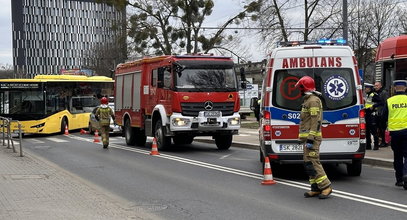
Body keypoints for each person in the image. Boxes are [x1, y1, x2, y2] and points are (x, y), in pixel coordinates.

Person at [295, 76, 332, 199]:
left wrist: (310, 138)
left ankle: (326, 187)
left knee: (314, 162)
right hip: (308, 139)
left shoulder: (313, 101)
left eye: (300, 88)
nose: (298, 90)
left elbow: (316, 121)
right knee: (308, 163)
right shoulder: (307, 100)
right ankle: (315, 188)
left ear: (303, 88)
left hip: (313, 139)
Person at [382, 80, 407, 189]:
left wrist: (383, 130)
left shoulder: (389, 101)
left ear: (395, 88)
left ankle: (399, 179)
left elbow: (383, 117)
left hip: (395, 133)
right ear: (405, 88)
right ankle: (406, 174)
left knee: (397, 156)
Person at [364, 83, 380, 150]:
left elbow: (381, 102)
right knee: (367, 131)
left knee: (374, 131)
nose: (365, 89)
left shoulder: (374, 95)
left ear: (369, 88)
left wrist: (374, 106)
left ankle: (376, 145)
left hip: (372, 115)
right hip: (367, 115)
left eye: (366, 88)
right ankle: (368, 145)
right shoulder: (367, 95)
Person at [374, 82, 389, 147]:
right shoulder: (375, 93)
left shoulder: (383, 93)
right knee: (378, 128)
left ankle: (384, 142)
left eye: (377, 85)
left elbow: (386, 103)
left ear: (380, 86)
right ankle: (380, 141)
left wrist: (384, 112)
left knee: (382, 128)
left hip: (382, 113)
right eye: (375, 86)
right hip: (377, 113)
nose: (376, 87)